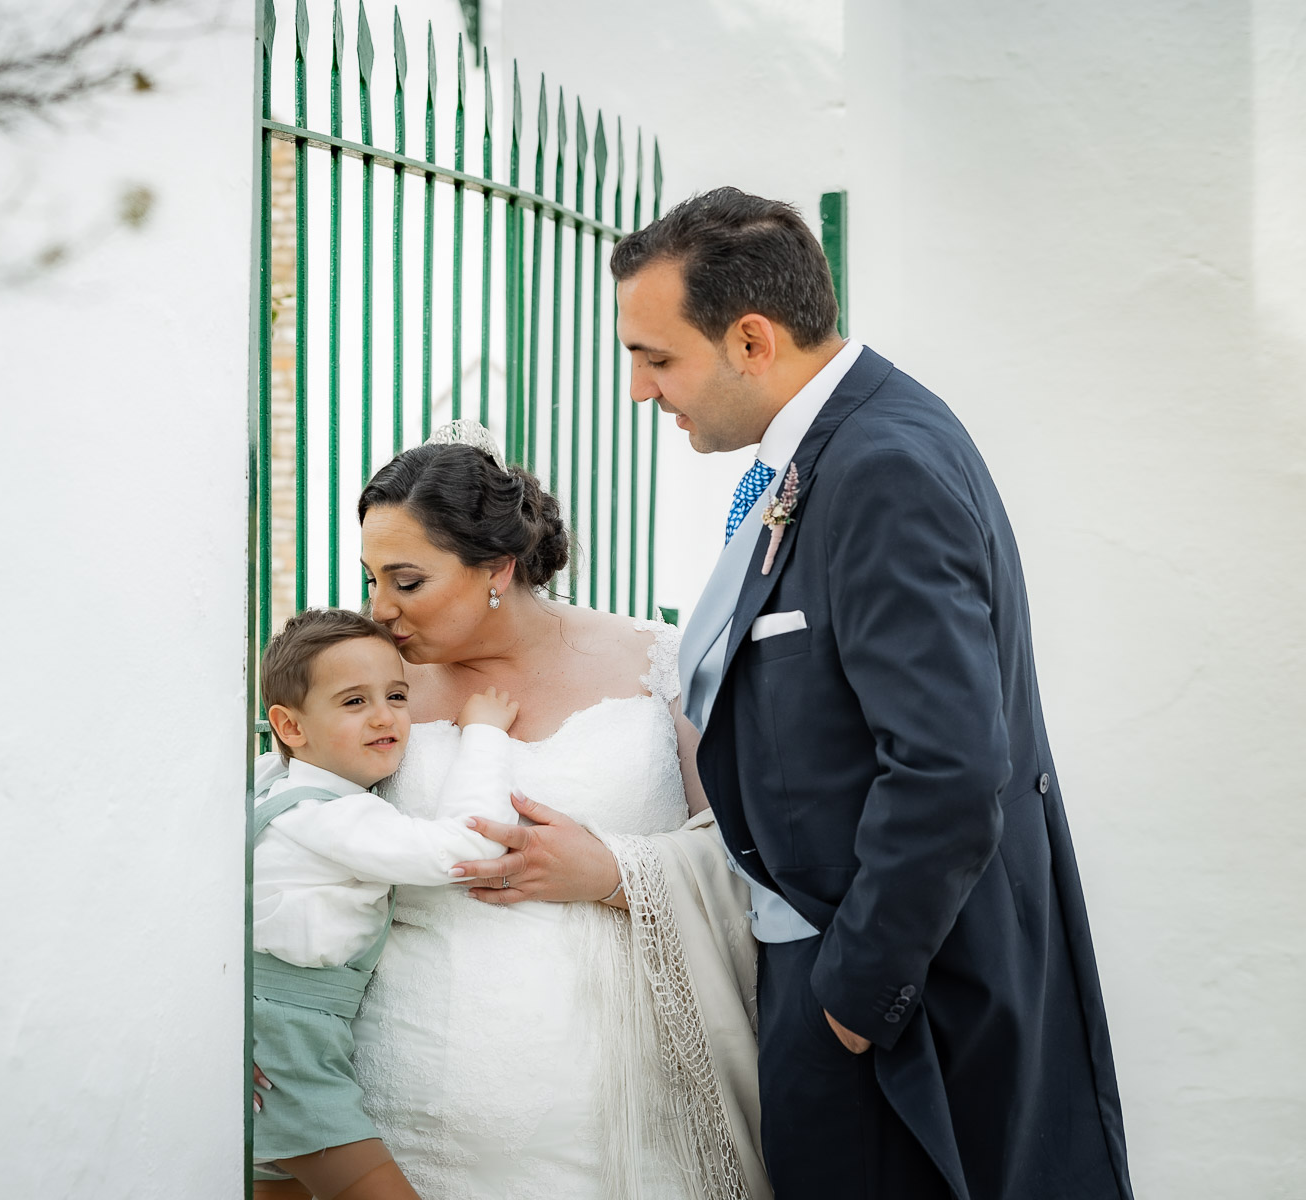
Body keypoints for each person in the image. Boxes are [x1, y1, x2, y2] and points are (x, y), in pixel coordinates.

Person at [452, 187, 1136, 1200]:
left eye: (656, 357)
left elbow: (950, 766)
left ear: (754, 340)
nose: (639, 391)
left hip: (899, 1005)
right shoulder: (840, 443)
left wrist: (856, 993)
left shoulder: (883, 464)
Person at [349, 431, 769, 1200]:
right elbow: (305, 835)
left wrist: (615, 872)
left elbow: (752, 854)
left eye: (406, 582)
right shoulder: (372, 685)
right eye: (371, 578)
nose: (380, 610)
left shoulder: (658, 662)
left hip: (625, 1115)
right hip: (409, 1098)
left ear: (498, 570)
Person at [250, 607, 523, 1200]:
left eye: (397, 695)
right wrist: (484, 737)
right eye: (353, 702)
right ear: (291, 727)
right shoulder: (333, 817)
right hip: (289, 1049)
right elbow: (469, 846)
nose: (385, 717)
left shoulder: (269, 783)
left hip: (271, 1040)